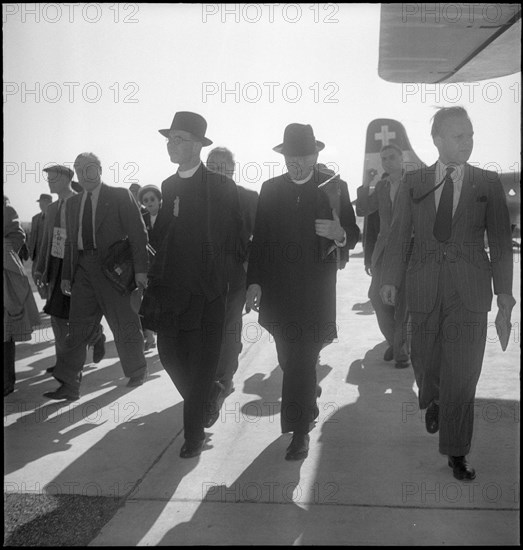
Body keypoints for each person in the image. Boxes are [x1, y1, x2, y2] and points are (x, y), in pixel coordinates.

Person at [380, 107, 515, 480]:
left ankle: (457, 450)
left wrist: (505, 293)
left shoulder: (487, 183)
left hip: (470, 290)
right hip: (423, 284)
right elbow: (398, 232)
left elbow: (502, 243)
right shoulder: (414, 181)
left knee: (464, 371)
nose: (467, 142)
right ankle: (433, 396)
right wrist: (389, 278)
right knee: (424, 358)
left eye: (470, 135)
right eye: (458, 136)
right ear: (437, 139)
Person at [246, 123, 360, 460]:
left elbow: (352, 234)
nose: (297, 163)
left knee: (300, 360)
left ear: (315, 155)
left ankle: (299, 432)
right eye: (291, 157)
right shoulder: (269, 190)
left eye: (304, 156)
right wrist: (254, 281)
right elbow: (260, 241)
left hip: (315, 292)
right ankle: (306, 398)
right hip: (279, 293)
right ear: (284, 156)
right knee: (289, 358)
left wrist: (339, 233)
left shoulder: (333, 189)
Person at [142, 111, 242, 458]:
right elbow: (163, 235)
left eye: (180, 138)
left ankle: (193, 435)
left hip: (207, 292)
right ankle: (208, 398)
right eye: (170, 138)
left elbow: (235, 238)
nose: (172, 144)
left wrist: (223, 280)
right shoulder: (167, 187)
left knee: (200, 362)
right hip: (172, 290)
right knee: (169, 355)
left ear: (199, 145)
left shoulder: (219, 187)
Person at [44, 153, 149, 401]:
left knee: (124, 321)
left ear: (99, 170)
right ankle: (69, 383)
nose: (84, 174)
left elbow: (138, 233)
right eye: (79, 169)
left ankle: (137, 370)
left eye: (89, 168)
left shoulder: (120, 196)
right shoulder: (72, 204)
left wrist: (141, 271)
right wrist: (68, 274)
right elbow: (70, 242)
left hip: (114, 269)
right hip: (83, 268)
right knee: (77, 326)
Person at [34, 165, 106, 376]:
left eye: (54, 177)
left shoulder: (82, 201)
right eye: (48, 178)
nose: (50, 181)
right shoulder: (52, 208)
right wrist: (40, 269)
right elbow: (47, 240)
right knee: (57, 317)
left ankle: (94, 336)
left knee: (75, 318)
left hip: (76, 268)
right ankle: (63, 363)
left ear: (68, 178)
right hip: (56, 267)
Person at [206, 146, 259, 410]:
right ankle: (212, 376)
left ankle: (223, 381)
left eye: (220, 166)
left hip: (234, 273)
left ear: (232, 170)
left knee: (228, 329)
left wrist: (253, 280)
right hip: (201, 275)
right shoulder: (196, 197)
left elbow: (259, 241)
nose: (214, 171)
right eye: (210, 165)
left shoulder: (249, 198)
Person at [356, 145, 410, 368]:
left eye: (391, 157)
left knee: (402, 302)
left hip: (408, 249)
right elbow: (362, 210)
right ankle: (396, 343)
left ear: (401, 158)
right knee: (377, 297)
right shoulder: (381, 186)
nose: (387, 162)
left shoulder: (414, 183)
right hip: (384, 250)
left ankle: (401, 353)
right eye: (383, 159)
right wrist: (367, 184)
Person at [4, 197, 40, 395]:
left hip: (5, 279)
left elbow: (17, 238)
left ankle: (6, 382)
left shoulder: (6, 210)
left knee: (5, 333)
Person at [137, 184, 169, 351]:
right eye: (145, 200)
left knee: (164, 304)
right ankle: (150, 338)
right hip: (151, 269)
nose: (149, 203)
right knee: (148, 303)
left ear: (159, 200)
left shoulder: (169, 216)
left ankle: (160, 338)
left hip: (168, 267)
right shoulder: (142, 218)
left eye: (152, 199)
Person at [28, 193, 53, 294]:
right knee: (36, 277)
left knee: (49, 278)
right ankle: (45, 297)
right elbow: (32, 236)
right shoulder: (35, 218)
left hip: (49, 254)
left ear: (49, 203)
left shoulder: (54, 217)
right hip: (36, 255)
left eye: (43, 202)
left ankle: (48, 301)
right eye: (40, 202)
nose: (41, 204)